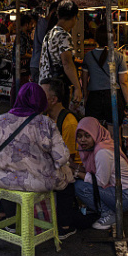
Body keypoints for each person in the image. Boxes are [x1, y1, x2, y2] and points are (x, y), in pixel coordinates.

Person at [0, 82, 71, 194]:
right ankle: (63, 210)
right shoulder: (46, 123)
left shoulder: (0, 120)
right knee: (66, 176)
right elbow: (62, 157)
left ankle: (11, 210)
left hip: (4, 181)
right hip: (38, 183)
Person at [74, 117, 128, 230]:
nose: (82, 140)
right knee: (81, 181)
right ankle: (104, 208)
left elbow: (100, 181)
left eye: (87, 136)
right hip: (120, 191)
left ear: (95, 134)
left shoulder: (102, 151)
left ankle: (108, 213)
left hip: (124, 196)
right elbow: (91, 172)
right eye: (79, 136)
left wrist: (77, 173)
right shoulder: (97, 146)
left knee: (80, 186)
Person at [41, 77, 80, 239]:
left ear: (53, 99)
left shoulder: (69, 122)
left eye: (41, 94)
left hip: (71, 168)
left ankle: (64, 225)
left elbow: (68, 160)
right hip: (52, 164)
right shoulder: (44, 116)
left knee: (65, 180)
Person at [82, 29, 128, 125]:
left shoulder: (88, 56)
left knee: (94, 132)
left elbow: (84, 81)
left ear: (96, 39)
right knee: (114, 133)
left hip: (94, 98)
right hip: (113, 98)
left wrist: (86, 97)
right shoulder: (119, 56)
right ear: (113, 40)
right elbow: (123, 82)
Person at [38, 0, 82, 107]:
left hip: (44, 84)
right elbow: (66, 63)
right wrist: (77, 87)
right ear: (73, 17)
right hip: (56, 89)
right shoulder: (64, 36)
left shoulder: (49, 34)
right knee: (59, 119)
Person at [30, 1, 59, 82]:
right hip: (39, 64)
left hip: (37, 63)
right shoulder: (44, 25)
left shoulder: (42, 23)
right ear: (53, 12)